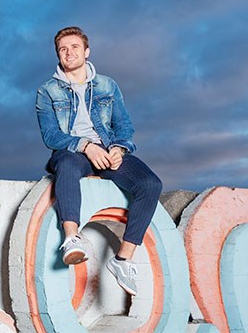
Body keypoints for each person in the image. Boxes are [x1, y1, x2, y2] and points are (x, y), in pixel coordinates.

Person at [35, 26, 162, 296]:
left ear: (87, 51)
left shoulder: (107, 85)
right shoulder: (47, 91)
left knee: (150, 184)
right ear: (57, 55)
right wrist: (85, 146)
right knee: (67, 167)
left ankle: (123, 260)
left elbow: (124, 125)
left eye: (74, 47)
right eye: (63, 49)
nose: (69, 53)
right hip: (72, 151)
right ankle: (71, 239)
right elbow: (50, 135)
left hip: (107, 150)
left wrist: (119, 148)